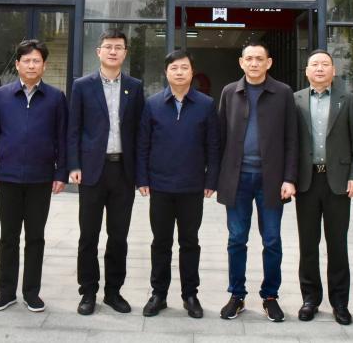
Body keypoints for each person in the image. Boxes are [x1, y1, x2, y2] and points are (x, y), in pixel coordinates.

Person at [0, 39, 68, 313]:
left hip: (40, 179)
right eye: (26, 60)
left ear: (44, 65)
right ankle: (6, 292)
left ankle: (32, 292)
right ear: (17, 64)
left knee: (35, 237)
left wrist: (61, 173)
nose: (31, 65)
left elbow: (62, 138)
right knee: (8, 237)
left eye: (36, 61)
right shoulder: (1, 95)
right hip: (7, 177)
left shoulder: (55, 97)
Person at [215, 41, 298, 323]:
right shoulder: (230, 92)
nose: (253, 63)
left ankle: (270, 296)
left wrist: (289, 178)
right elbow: (220, 137)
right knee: (236, 238)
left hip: (271, 180)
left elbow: (292, 139)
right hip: (237, 178)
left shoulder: (283, 93)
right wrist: (217, 178)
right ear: (241, 62)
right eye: (248, 58)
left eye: (259, 59)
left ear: (268, 62)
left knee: (272, 239)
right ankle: (236, 295)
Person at [136, 49, 220, 319]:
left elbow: (213, 146)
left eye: (184, 67)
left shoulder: (206, 104)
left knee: (189, 242)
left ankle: (190, 295)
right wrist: (142, 178)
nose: (179, 72)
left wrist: (211, 179)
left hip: (192, 186)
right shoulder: (153, 104)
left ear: (192, 72)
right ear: (166, 72)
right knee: (160, 242)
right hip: (160, 186)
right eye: (174, 68)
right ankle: (158, 294)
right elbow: (143, 144)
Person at [67, 29, 145, 315]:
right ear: (98, 51)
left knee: (118, 236)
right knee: (88, 235)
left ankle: (114, 292)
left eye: (118, 47)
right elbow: (73, 128)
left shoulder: (135, 87)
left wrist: (141, 175)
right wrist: (74, 164)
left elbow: (139, 133)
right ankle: (88, 292)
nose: (113, 51)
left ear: (125, 53)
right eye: (108, 47)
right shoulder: (82, 86)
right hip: (91, 171)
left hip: (123, 171)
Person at [293, 50, 353, 326]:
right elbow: (290, 141)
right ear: (306, 71)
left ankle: (340, 302)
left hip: (338, 182)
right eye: (314, 64)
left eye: (325, 64)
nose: (320, 68)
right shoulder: (296, 100)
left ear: (334, 71)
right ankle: (310, 299)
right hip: (307, 181)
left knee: (337, 244)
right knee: (308, 244)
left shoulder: (347, 100)